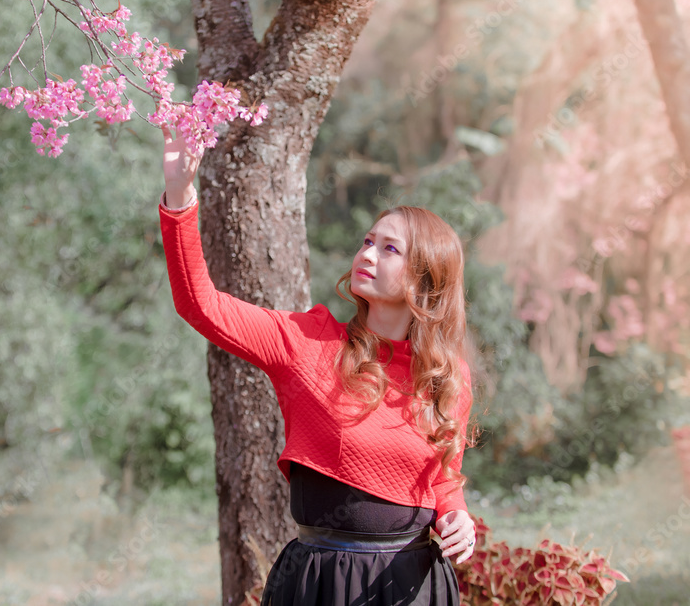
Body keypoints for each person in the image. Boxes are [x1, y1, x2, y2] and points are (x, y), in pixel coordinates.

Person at [159, 124, 477, 605]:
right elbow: (200, 304)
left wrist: (457, 517)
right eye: (367, 241)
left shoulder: (446, 376)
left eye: (389, 248)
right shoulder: (306, 342)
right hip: (323, 582)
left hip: (414, 586)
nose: (366, 253)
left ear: (423, 277)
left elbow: (443, 479)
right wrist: (180, 194)